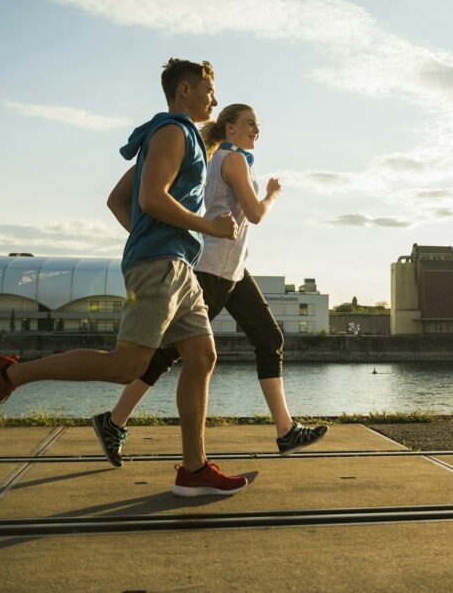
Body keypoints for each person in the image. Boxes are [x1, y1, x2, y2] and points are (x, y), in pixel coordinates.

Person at [0, 58, 249, 497]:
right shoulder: (174, 132)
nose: (215, 98)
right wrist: (204, 226)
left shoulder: (169, 135)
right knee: (125, 367)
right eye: (209, 89)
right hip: (160, 266)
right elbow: (150, 199)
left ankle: (193, 469)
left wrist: (152, 236)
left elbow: (120, 200)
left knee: (201, 357)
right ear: (186, 90)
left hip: (176, 265)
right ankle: (7, 376)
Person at [91, 103, 328, 467]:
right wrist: (272, 194)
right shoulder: (234, 161)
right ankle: (114, 420)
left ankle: (285, 430)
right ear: (229, 128)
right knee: (171, 352)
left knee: (268, 339)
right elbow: (256, 215)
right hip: (214, 269)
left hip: (233, 270)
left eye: (258, 125)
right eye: (250, 123)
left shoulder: (212, 157)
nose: (256, 130)